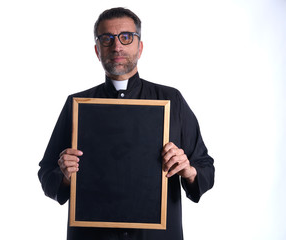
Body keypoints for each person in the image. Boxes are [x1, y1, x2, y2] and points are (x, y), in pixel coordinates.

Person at [38, 7, 215, 240]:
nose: (117, 46)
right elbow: (46, 174)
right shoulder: (76, 105)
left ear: (140, 47)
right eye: (107, 39)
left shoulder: (171, 100)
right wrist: (64, 175)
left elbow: (206, 167)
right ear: (97, 51)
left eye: (126, 37)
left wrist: (188, 171)